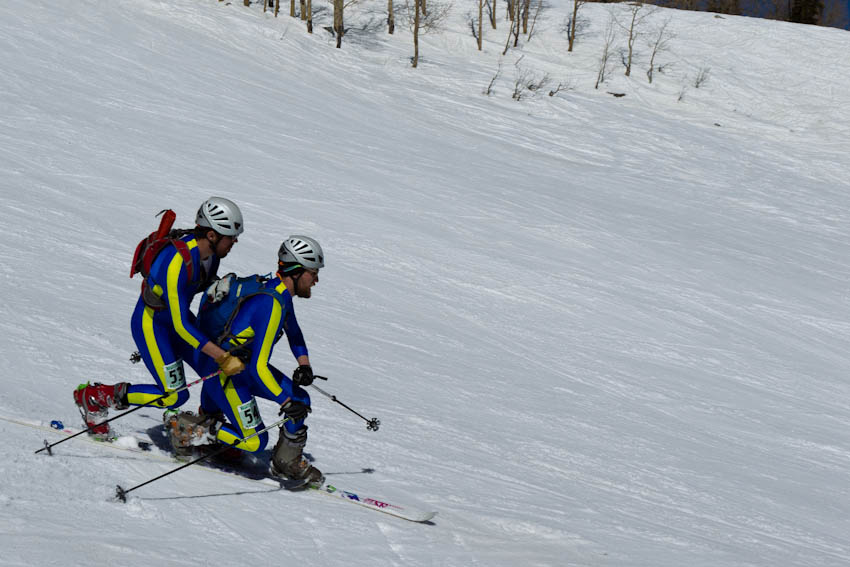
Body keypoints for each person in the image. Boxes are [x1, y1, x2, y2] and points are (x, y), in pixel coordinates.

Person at [73, 197, 247, 440]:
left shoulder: (212, 256)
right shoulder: (177, 262)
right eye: (231, 237)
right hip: (153, 326)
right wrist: (222, 355)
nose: (235, 242)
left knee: (212, 369)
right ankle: (96, 397)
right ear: (211, 235)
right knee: (175, 395)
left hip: (175, 322)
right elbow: (181, 325)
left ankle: (209, 421)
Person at [169, 235, 325, 484]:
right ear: (296, 272)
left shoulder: (280, 294)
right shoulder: (271, 304)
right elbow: (259, 366)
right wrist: (284, 402)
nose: (316, 280)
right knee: (255, 440)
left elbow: (294, 333)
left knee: (301, 398)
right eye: (312, 273)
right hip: (224, 370)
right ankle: (186, 426)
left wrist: (304, 365)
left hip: (240, 368)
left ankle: (286, 461)